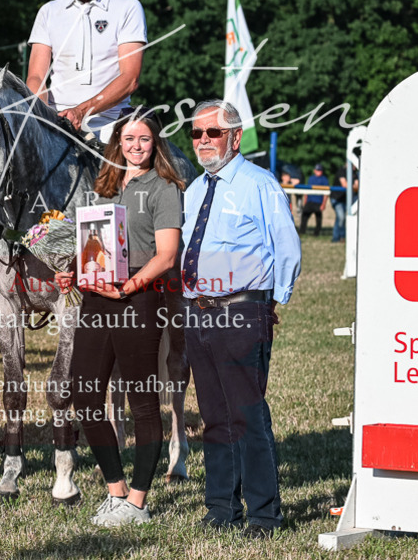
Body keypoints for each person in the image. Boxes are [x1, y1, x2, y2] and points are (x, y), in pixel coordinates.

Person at [55, 108, 185, 527]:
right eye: (128, 139)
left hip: (139, 300)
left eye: (144, 139)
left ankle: (137, 502)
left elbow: (166, 255)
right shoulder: (104, 185)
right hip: (96, 299)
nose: (135, 146)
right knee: (84, 393)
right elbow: (95, 244)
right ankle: (115, 492)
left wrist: (128, 288)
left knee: (142, 401)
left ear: (155, 143)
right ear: (117, 143)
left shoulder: (164, 188)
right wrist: (74, 270)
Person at [181, 100, 301, 539]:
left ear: (234, 136)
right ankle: (220, 507)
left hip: (241, 310)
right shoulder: (193, 191)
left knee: (248, 414)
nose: (203, 141)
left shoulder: (259, 184)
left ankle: (264, 514)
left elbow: (286, 247)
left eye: (212, 133)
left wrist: (272, 303)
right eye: (196, 134)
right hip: (197, 312)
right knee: (214, 415)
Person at [26, 0, 147, 144]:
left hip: (110, 122)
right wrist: (41, 117)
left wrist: (81, 111)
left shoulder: (127, 7)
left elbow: (130, 78)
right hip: (57, 121)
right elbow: (36, 76)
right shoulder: (48, 11)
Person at [300, 163, 329, 236]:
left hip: (318, 202)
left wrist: (323, 204)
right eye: (317, 170)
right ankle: (302, 231)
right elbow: (307, 191)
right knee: (304, 216)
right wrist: (305, 201)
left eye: (320, 170)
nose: (319, 172)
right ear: (314, 171)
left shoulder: (324, 179)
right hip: (310, 201)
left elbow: (326, 193)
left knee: (318, 219)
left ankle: (316, 233)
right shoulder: (311, 178)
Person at [330, 167, 357, 243]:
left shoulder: (354, 173)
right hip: (336, 198)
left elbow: (357, 186)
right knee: (341, 217)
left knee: (340, 218)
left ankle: (336, 237)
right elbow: (344, 184)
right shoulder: (341, 170)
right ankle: (342, 237)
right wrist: (353, 187)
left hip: (344, 199)